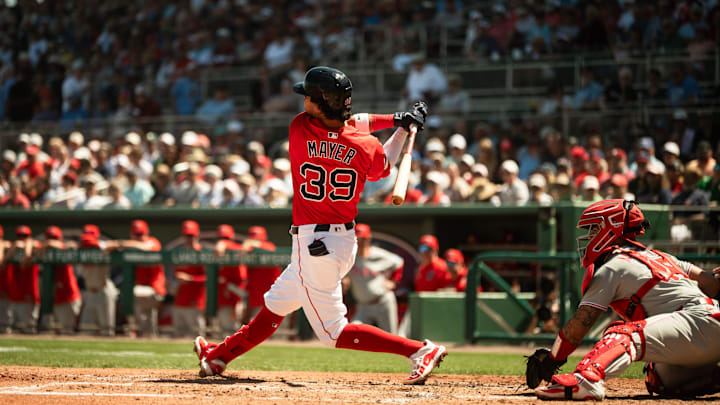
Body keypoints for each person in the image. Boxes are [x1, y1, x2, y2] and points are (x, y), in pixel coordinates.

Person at [194, 66, 446, 385]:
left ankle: (418, 350)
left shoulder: (300, 128)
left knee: (332, 332)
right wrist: (401, 126)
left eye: (310, 97)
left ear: (322, 102)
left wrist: (397, 120)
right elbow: (382, 162)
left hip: (317, 246)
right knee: (275, 306)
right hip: (337, 240)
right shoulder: (364, 145)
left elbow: (350, 121)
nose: (305, 103)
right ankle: (218, 356)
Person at [533, 199, 720, 400]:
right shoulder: (662, 256)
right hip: (706, 325)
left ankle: (587, 380)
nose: (589, 236)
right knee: (660, 377)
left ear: (610, 228)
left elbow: (580, 324)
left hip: (697, 321)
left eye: (594, 229)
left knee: (620, 333)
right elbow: (712, 284)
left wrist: (552, 360)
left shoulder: (614, 266)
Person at [106, 220, 165, 336]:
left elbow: (145, 247)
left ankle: (136, 330)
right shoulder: (130, 245)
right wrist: (116, 246)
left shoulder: (153, 242)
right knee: (144, 321)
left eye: (141, 234)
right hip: (140, 289)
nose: (140, 237)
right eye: (137, 235)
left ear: (147, 233)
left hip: (155, 289)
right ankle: (136, 331)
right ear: (132, 234)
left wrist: (120, 243)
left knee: (133, 297)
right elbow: (107, 248)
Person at [345, 223, 403, 334]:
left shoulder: (377, 254)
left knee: (391, 338)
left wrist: (393, 281)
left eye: (362, 239)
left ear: (368, 239)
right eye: (357, 239)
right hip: (363, 306)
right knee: (352, 332)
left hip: (383, 302)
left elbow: (399, 262)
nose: (359, 242)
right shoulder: (349, 257)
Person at [77, 229, 117, 336]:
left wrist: (98, 245)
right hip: (90, 292)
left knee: (107, 329)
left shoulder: (103, 246)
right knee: (85, 328)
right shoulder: (81, 249)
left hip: (103, 290)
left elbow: (115, 245)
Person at [42, 226, 81, 334]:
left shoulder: (63, 249)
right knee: (57, 330)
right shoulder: (44, 252)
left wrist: (47, 244)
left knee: (67, 331)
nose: (52, 240)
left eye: (55, 238)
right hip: (57, 297)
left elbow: (70, 245)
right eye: (49, 237)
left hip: (69, 296)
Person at [242, 225, 282, 323]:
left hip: (273, 299)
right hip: (256, 300)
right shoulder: (248, 251)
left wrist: (252, 243)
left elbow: (269, 249)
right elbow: (240, 250)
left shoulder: (269, 247)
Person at [5, 226, 40, 333]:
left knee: (29, 327)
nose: (22, 238)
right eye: (20, 236)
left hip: (30, 291)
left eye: (25, 236)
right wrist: (14, 247)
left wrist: (27, 251)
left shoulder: (34, 245)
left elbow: (32, 245)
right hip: (16, 293)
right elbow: (4, 262)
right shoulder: (11, 247)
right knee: (14, 327)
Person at [174, 220, 206, 337]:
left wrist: (191, 279)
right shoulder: (179, 254)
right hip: (179, 300)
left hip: (195, 301)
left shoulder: (202, 253)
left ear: (197, 235)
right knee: (178, 337)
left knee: (197, 336)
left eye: (191, 236)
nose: (189, 238)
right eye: (187, 236)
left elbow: (210, 278)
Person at [214, 224, 247, 336]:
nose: (223, 241)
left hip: (236, 296)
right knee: (224, 331)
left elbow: (224, 246)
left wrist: (224, 243)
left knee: (234, 330)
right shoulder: (216, 252)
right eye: (220, 238)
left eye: (226, 238)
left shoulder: (237, 249)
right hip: (224, 298)